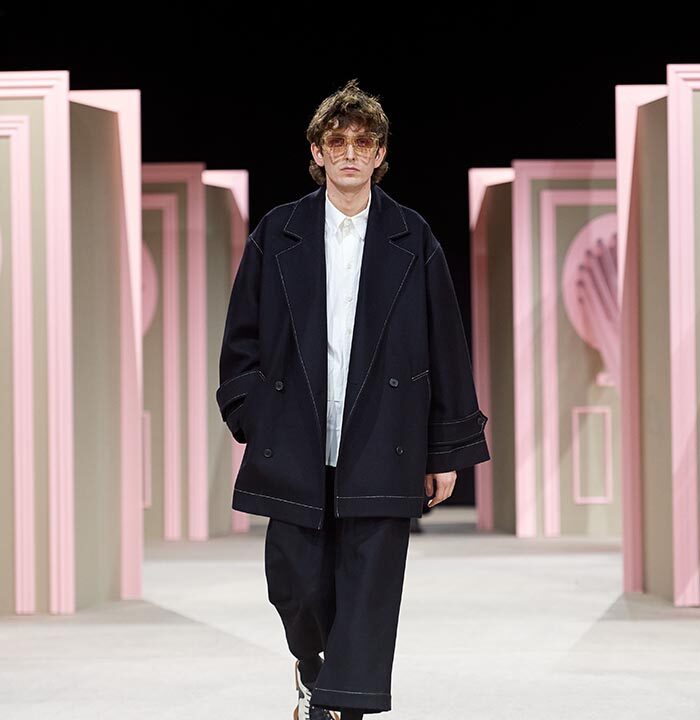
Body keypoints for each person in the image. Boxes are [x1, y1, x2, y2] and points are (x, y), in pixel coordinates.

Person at [216, 78, 490, 719]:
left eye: (362, 143)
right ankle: (317, 673)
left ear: (379, 153)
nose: (349, 153)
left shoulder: (412, 236)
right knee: (295, 583)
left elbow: (447, 346)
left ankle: (336, 709)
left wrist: (443, 451)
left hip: (383, 437)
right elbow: (240, 339)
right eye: (336, 142)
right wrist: (255, 416)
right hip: (295, 437)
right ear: (316, 151)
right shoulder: (278, 232)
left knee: (369, 590)